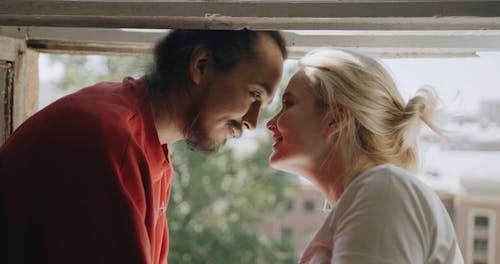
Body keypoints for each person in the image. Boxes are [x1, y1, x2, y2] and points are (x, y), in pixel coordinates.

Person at [0, 29, 287, 263]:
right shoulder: (109, 140)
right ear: (201, 65)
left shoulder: (148, 146)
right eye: (254, 94)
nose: (252, 121)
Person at [266, 48, 464, 264]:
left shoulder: (384, 190)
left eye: (288, 104)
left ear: (334, 120)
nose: (270, 123)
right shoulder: (375, 196)